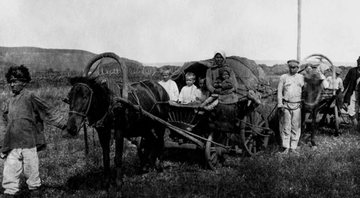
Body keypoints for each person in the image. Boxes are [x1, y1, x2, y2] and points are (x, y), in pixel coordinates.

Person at [1, 65, 66, 197]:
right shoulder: (9, 101)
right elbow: (4, 122)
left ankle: (35, 192)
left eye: (15, 81)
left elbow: (47, 111)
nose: (12, 85)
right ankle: (9, 193)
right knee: (10, 174)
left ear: (24, 82)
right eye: (11, 82)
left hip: (29, 143)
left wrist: (64, 124)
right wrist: (2, 141)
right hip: (12, 144)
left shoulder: (30, 96)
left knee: (32, 173)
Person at [277, 59, 304, 155]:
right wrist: (280, 103)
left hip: (297, 105)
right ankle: (285, 147)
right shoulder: (283, 77)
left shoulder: (301, 78)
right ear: (288, 67)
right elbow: (279, 91)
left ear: (298, 68)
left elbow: (305, 90)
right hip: (286, 105)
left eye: (294, 67)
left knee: (295, 126)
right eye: (290, 67)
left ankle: (293, 147)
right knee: (286, 126)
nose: (292, 69)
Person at [343, 57, 360, 128]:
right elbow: (346, 82)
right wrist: (341, 91)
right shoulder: (352, 71)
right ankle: (355, 124)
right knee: (350, 109)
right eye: (359, 62)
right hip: (353, 92)